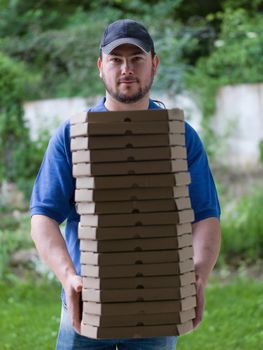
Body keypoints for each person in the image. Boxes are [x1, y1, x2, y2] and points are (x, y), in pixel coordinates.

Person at [30, 19, 221, 350]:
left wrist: (197, 275)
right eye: (116, 60)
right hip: (86, 305)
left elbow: (205, 215)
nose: (126, 69)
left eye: (137, 59)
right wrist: (69, 278)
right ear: (101, 66)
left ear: (154, 65)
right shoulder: (71, 136)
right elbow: (43, 215)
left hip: (159, 303)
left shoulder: (182, 138)